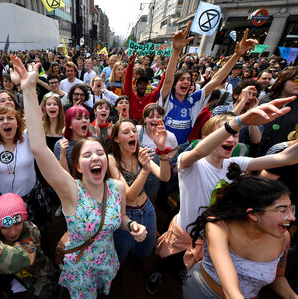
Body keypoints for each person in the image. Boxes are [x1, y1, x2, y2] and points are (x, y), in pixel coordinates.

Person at [10, 54, 147, 299]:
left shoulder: (116, 186)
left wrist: (132, 226)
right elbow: (40, 148)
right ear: (79, 166)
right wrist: (29, 89)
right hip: (80, 266)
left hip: (107, 259)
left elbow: (122, 218)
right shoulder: (70, 190)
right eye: (87, 155)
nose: (96, 158)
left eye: (99, 153)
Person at [147, 95, 298, 294]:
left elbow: (285, 158)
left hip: (213, 238)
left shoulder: (235, 164)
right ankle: (157, 272)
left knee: (189, 268)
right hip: (184, 232)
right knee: (167, 259)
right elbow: (199, 151)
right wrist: (239, 121)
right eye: (225, 132)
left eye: (236, 135)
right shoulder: (191, 163)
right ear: (209, 137)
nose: (232, 138)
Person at [184, 166, 297, 299]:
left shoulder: (284, 238)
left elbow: (278, 277)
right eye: (283, 210)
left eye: (291, 209)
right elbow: (231, 291)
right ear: (253, 214)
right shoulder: (217, 227)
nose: (292, 217)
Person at [159, 23, 258, 151]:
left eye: (189, 80)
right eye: (181, 79)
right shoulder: (168, 98)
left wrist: (236, 56)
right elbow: (167, 80)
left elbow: (216, 79)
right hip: (161, 148)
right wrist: (176, 50)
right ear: (174, 84)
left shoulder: (194, 100)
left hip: (181, 150)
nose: (186, 82)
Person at [109, 119, 171, 267]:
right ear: (116, 139)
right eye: (126, 132)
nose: (132, 134)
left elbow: (165, 176)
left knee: (145, 248)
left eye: (134, 131)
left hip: (147, 210)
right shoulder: (111, 160)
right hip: (126, 216)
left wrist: (162, 149)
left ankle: (136, 255)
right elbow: (129, 196)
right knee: (120, 253)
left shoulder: (141, 153)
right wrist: (144, 170)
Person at [0, 193, 60, 299]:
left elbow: (19, 259)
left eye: (17, 223)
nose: (12, 232)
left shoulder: (31, 231)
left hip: (40, 284)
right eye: (5, 227)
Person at [0, 105, 50, 230]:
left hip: (33, 196)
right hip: (5, 201)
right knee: (12, 235)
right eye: (0, 119)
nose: (6, 121)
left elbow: (38, 121)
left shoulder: (28, 137)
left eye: (10, 118)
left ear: (17, 123)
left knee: (40, 230)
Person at [124, 52, 165, 122]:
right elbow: (127, 82)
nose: (142, 85)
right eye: (140, 84)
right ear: (136, 87)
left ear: (146, 87)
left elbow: (159, 89)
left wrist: (165, 73)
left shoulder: (150, 98)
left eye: (144, 84)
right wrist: (130, 66)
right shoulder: (131, 96)